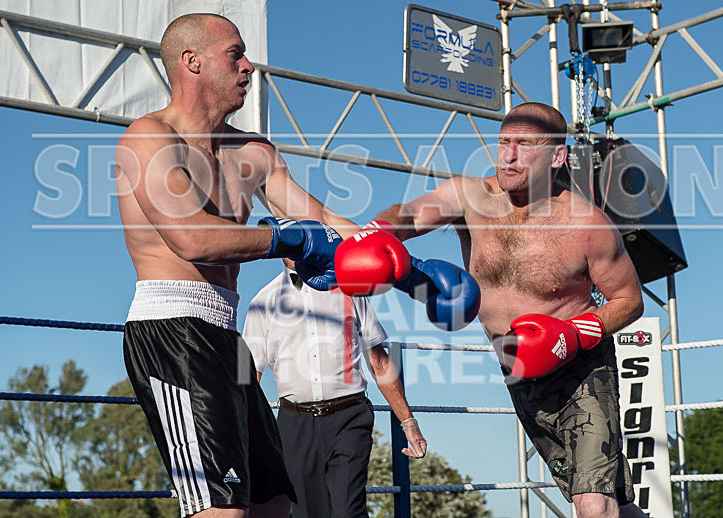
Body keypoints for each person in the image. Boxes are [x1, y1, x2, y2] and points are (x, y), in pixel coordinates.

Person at [333, 102, 647, 518]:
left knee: (592, 501)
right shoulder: (471, 198)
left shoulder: (586, 225)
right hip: (517, 370)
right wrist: (374, 236)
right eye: (503, 143)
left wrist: (572, 335)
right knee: (604, 499)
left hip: (582, 369)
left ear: (557, 156)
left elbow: (630, 300)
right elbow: (407, 214)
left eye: (525, 144)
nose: (509, 155)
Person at [114, 13, 357, 518]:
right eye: (235, 54)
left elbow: (323, 219)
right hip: (173, 333)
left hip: (228, 336)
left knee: (273, 505)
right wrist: (285, 238)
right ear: (192, 61)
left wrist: (401, 259)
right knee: (220, 510)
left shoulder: (253, 151)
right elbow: (193, 237)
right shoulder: (149, 138)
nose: (249, 66)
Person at [242, 258, 427, 518]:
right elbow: (247, 377)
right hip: (294, 425)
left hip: (349, 417)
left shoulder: (350, 289)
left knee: (348, 511)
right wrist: (243, 437)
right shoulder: (262, 302)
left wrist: (408, 423)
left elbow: (380, 362)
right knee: (308, 514)